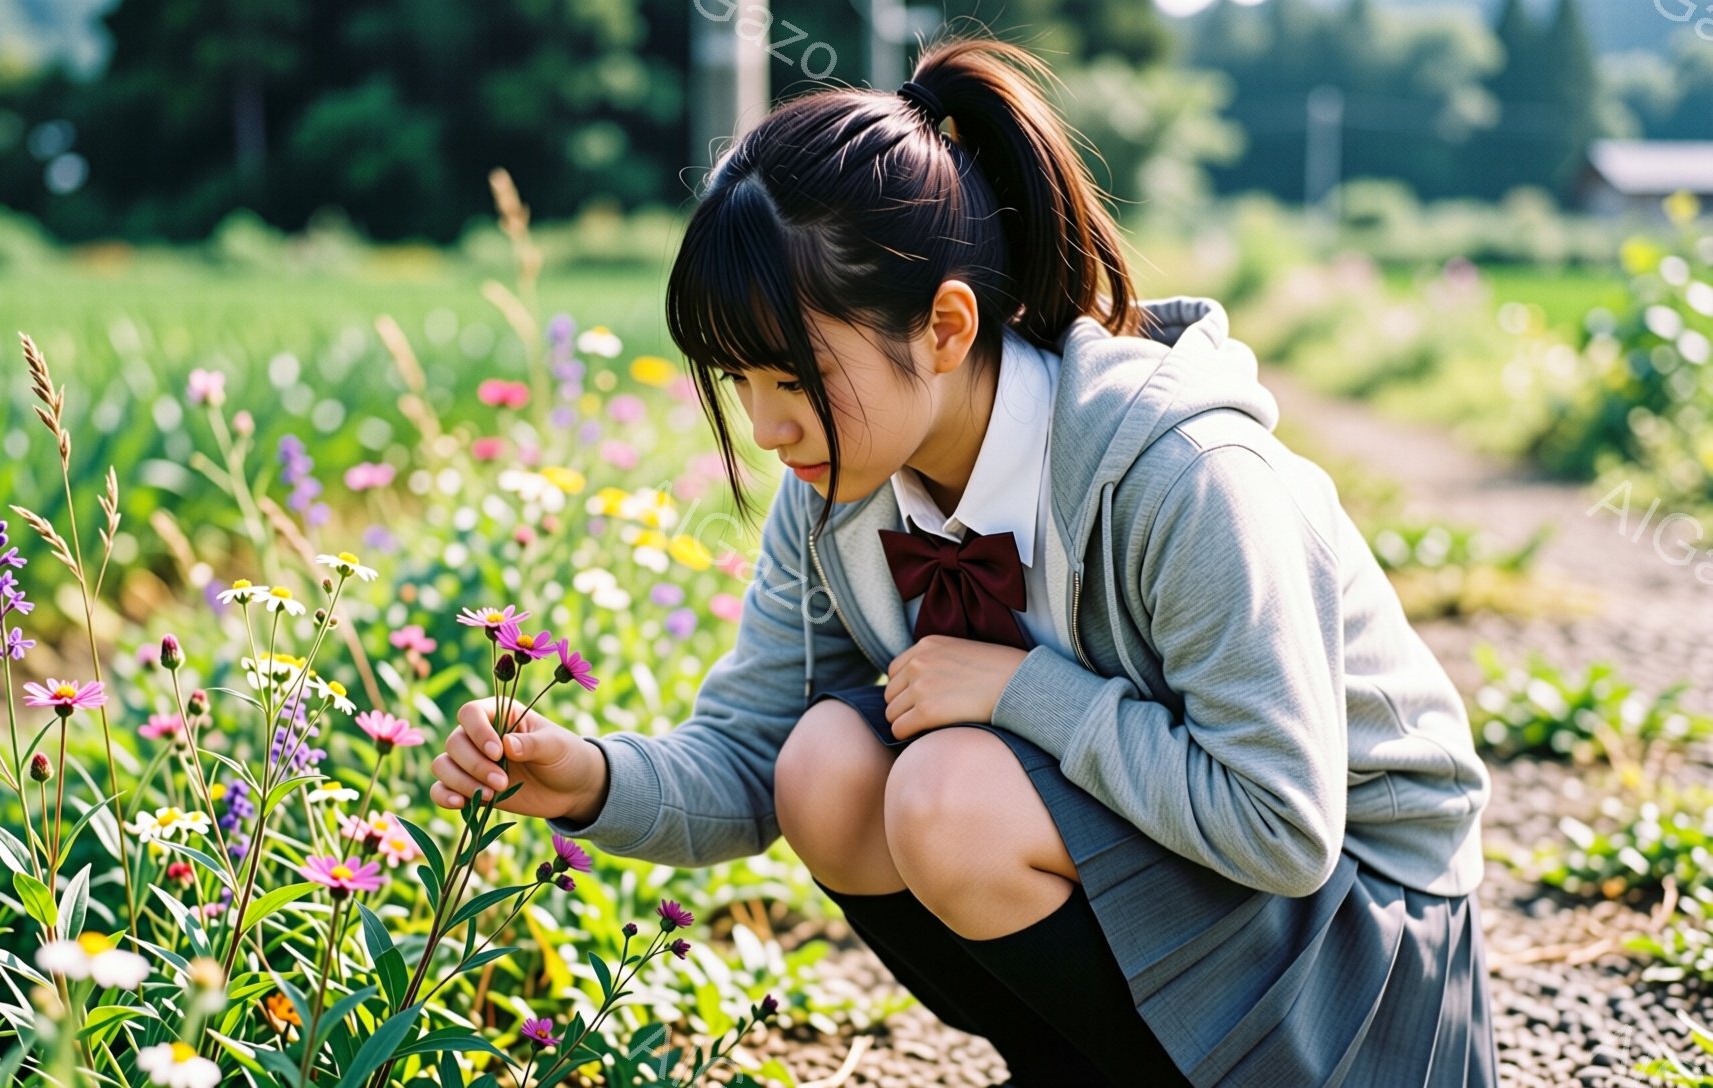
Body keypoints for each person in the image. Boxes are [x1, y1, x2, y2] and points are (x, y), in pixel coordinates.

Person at [431, 32, 1499, 1088]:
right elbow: (753, 757)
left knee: (948, 789)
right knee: (825, 768)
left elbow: (1282, 826)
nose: (763, 428)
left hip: (1356, 947)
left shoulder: (1184, 474)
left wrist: (1028, 690)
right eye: (739, 379)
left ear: (945, 326)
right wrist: (589, 778)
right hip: (1191, 888)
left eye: (794, 378)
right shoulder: (840, 497)